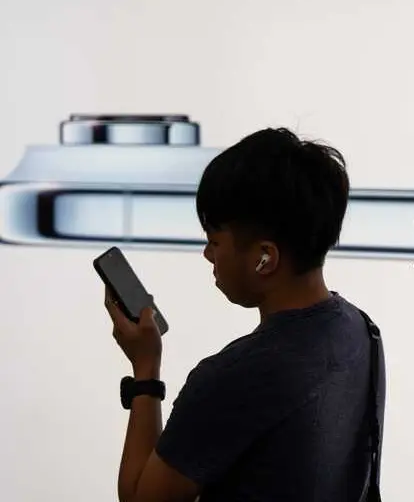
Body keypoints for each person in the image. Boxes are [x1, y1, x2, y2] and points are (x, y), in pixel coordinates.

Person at [103, 127, 386, 502]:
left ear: (265, 257)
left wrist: (145, 371)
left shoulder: (236, 376)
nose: (208, 255)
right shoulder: (362, 331)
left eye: (215, 241)